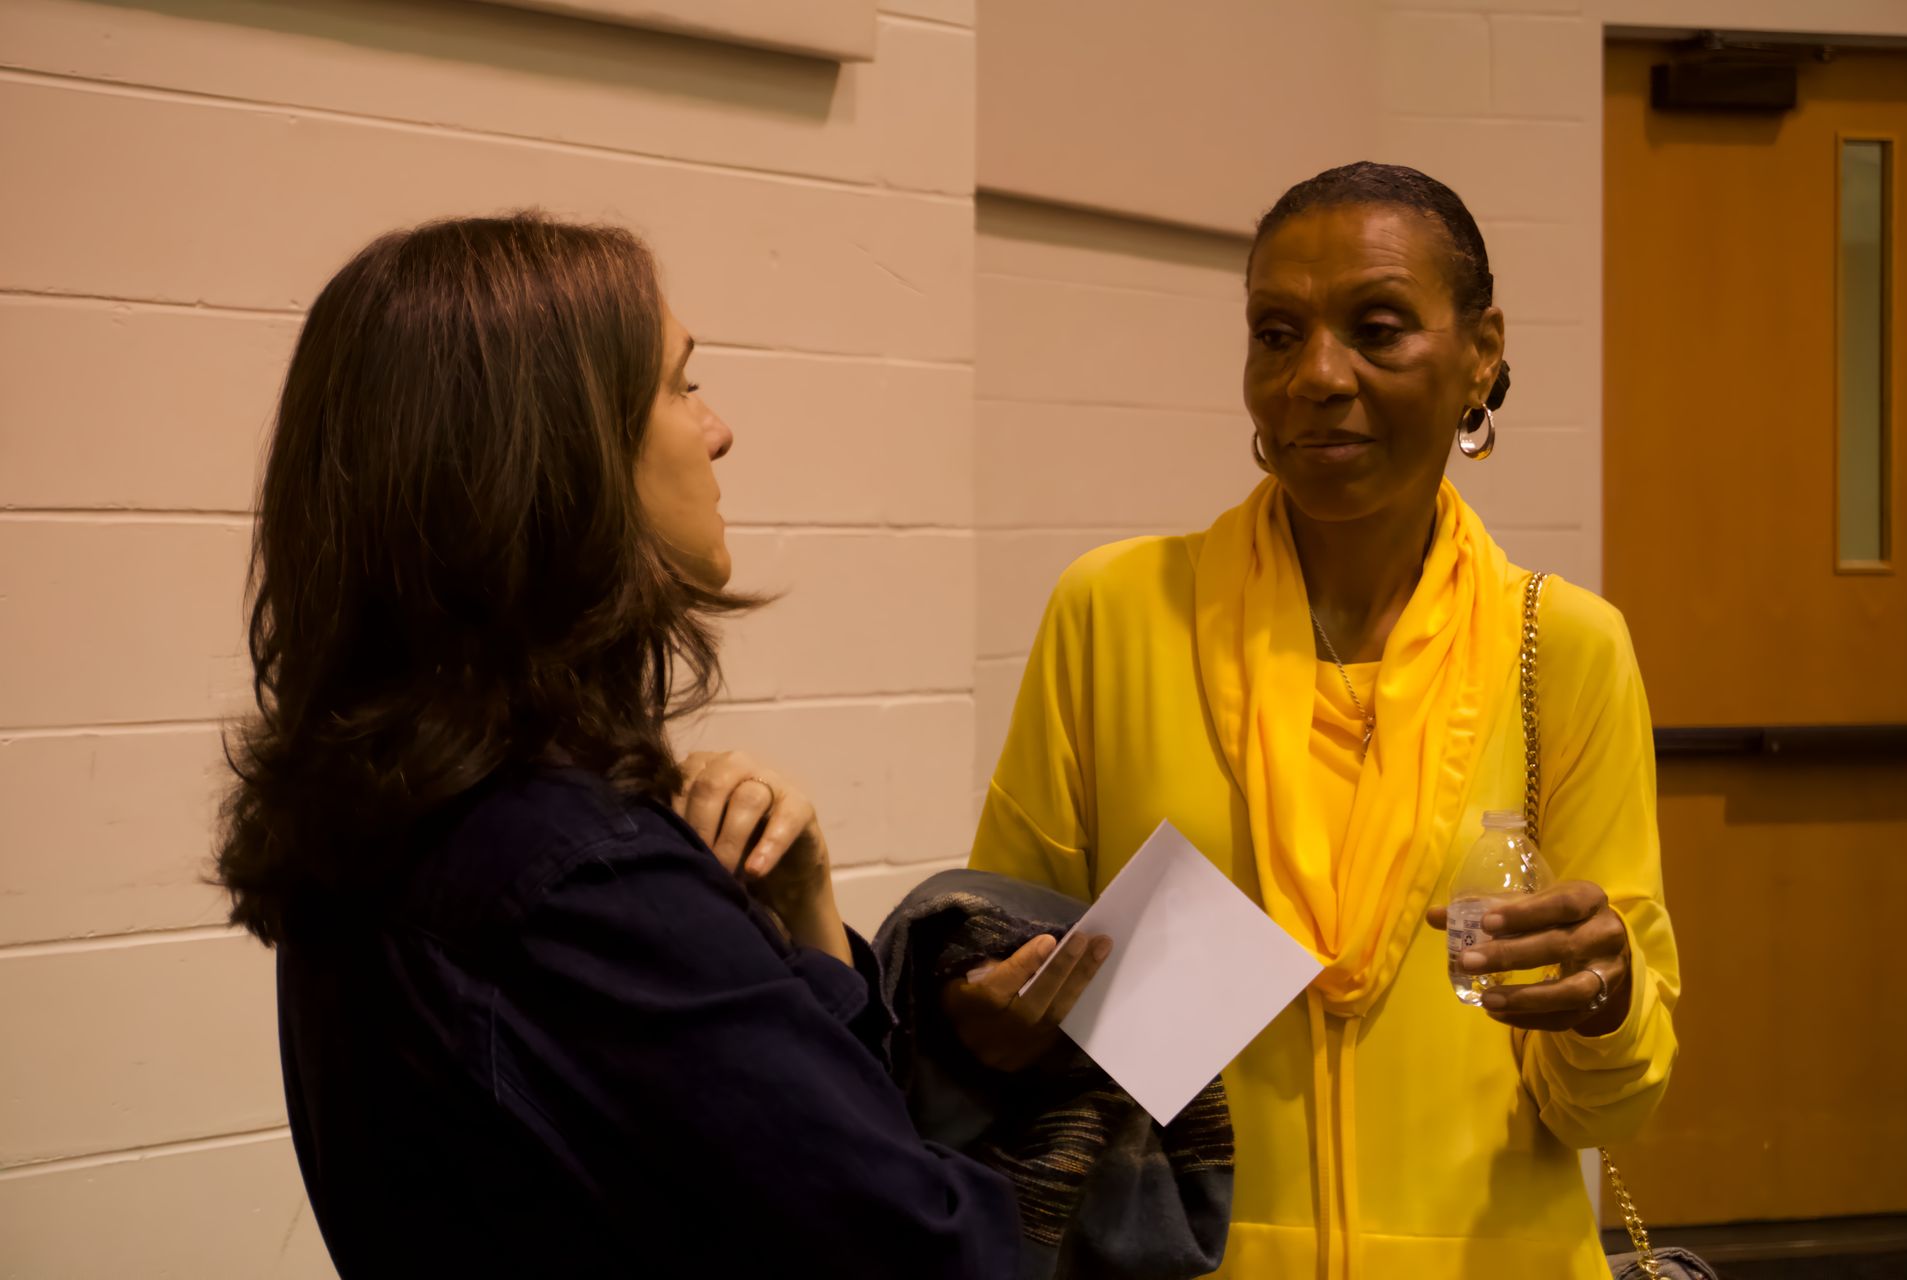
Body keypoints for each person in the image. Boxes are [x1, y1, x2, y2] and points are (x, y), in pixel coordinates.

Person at [215, 213, 1020, 1278]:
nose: (719, 428)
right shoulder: (578, 881)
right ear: (560, 454)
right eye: (682, 386)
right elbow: (931, 1250)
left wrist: (804, 910)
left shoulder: (384, 816)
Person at [952, 162, 1680, 1278]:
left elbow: (1613, 1104)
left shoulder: (1565, 647)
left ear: (1481, 351)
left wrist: (1605, 1002)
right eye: (1277, 333)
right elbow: (1002, 967)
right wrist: (992, 1010)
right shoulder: (1114, 613)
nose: (1317, 375)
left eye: (1377, 328)